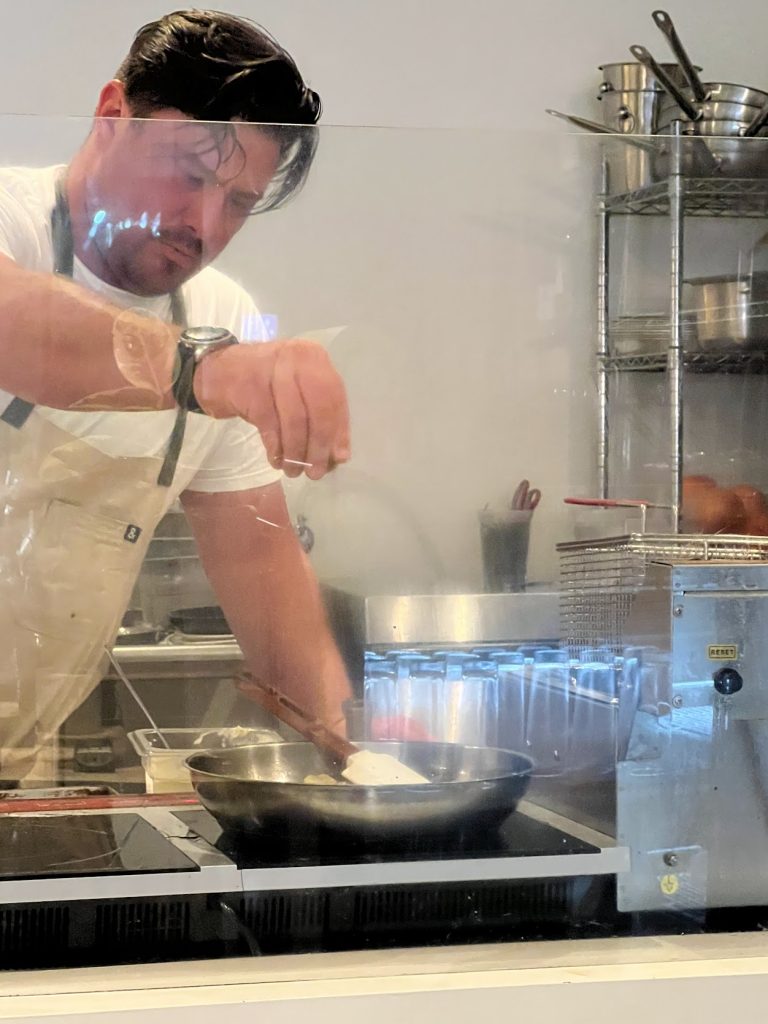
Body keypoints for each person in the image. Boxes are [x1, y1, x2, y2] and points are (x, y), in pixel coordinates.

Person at [0, 9, 354, 784]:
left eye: (239, 203)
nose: (204, 223)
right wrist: (206, 371)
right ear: (110, 115)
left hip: (15, 765)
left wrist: (352, 755)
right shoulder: (12, 222)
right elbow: (17, 325)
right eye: (190, 176)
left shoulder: (218, 317)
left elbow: (261, 564)